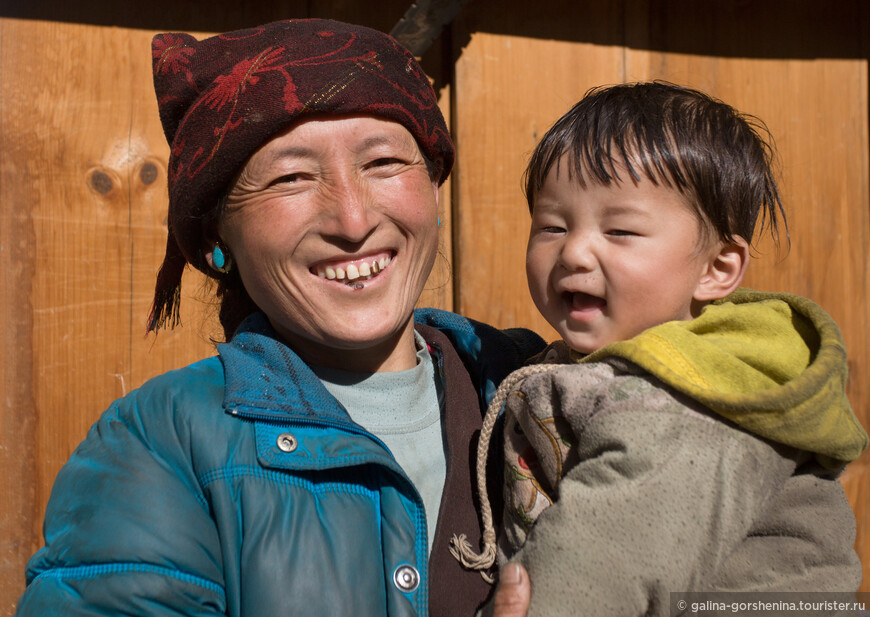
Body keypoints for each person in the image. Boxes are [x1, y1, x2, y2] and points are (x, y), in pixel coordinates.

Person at [15, 19, 543, 617]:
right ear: (218, 237)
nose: (351, 218)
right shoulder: (162, 448)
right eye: (291, 177)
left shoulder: (539, 385)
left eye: (384, 162)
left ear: (434, 187)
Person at [450, 82, 868, 615]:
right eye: (552, 226)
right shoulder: (592, 365)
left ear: (716, 269)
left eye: (621, 230)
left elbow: (605, 558)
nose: (574, 251)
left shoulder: (693, 392)